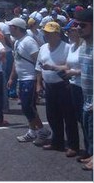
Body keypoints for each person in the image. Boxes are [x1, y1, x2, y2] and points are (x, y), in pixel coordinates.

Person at [36, 21, 79, 157]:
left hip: (64, 85)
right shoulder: (43, 48)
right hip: (49, 86)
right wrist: (38, 84)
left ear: (57, 34)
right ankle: (57, 141)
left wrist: (54, 68)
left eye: (49, 33)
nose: (46, 35)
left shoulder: (67, 47)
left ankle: (73, 145)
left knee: (69, 117)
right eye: (45, 32)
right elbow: (38, 67)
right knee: (52, 116)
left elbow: (70, 66)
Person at [6, 18, 51, 144]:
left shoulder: (28, 41)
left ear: (16, 28)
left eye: (11, 27)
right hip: (22, 78)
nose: (9, 29)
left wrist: (38, 81)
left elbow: (38, 61)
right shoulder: (17, 42)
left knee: (27, 107)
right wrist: (11, 77)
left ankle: (42, 130)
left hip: (30, 79)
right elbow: (16, 60)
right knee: (28, 107)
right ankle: (32, 131)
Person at [75, 9, 93, 170]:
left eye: (82, 25)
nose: (78, 28)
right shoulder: (83, 46)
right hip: (86, 99)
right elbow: (85, 70)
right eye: (76, 24)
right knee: (89, 137)